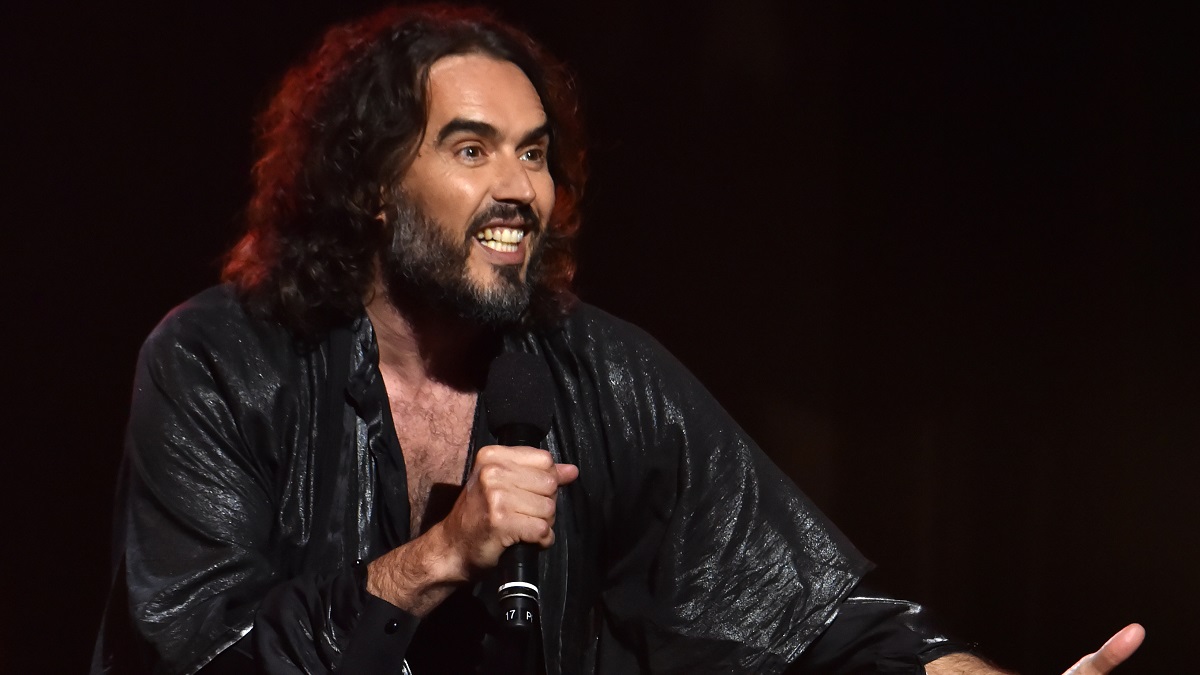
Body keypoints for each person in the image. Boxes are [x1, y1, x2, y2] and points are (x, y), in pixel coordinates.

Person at [91, 5, 1143, 674]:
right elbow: (204, 656)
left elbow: (811, 609)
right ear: (371, 186)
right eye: (472, 149)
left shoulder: (595, 369)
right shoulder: (219, 361)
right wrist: (436, 561)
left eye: (535, 154)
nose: (519, 190)